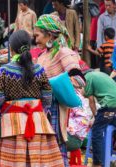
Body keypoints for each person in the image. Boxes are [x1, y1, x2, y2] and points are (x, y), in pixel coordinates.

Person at [0, 30, 64, 167]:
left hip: (11, 125)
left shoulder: (3, 71)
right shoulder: (39, 70)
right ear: (29, 47)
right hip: (37, 122)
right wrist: (43, 109)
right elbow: (47, 94)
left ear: (11, 49)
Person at [34, 14, 82, 167]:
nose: (35, 40)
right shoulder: (43, 56)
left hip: (55, 109)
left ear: (49, 35)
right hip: (41, 109)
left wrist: (54, 85)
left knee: (55, 148)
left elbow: (79, 80)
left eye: (38, 35)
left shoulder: (64, 53)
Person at [80, 61, 116, 167]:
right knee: (107, 116)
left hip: (111, 102)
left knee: (97, 131)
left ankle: (97, 163)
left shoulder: (87, 78)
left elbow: (91, 101)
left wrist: (96, 117)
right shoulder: (99, 74)